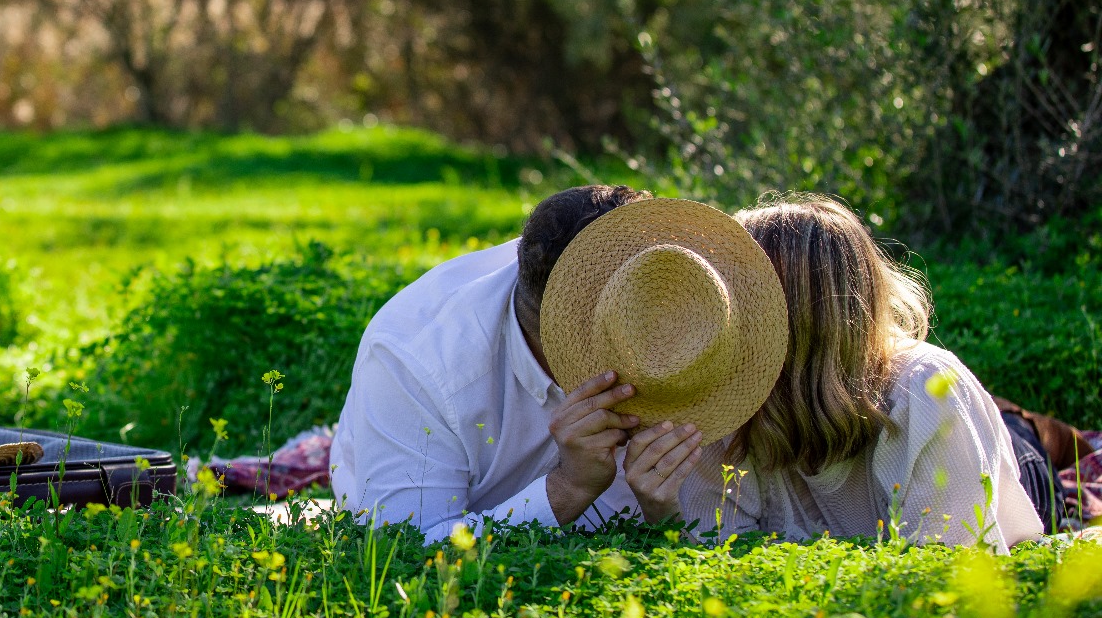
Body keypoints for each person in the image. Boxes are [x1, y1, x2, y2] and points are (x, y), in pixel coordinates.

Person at [330, 187, 776, 542]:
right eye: (607, 345)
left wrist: (665, 513)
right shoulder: (417, 361)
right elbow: (406, 549)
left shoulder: (690, 313)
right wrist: (568, 488)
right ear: (556, 333)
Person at [679, 194, 1043, 550]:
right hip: (873, 404)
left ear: (804, 319)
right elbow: (720, 554)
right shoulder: (728, 398)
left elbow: (951, 573)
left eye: (739, 297)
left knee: (1041, 443)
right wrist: (660, 508)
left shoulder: (925, 389)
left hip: (1015, 472)